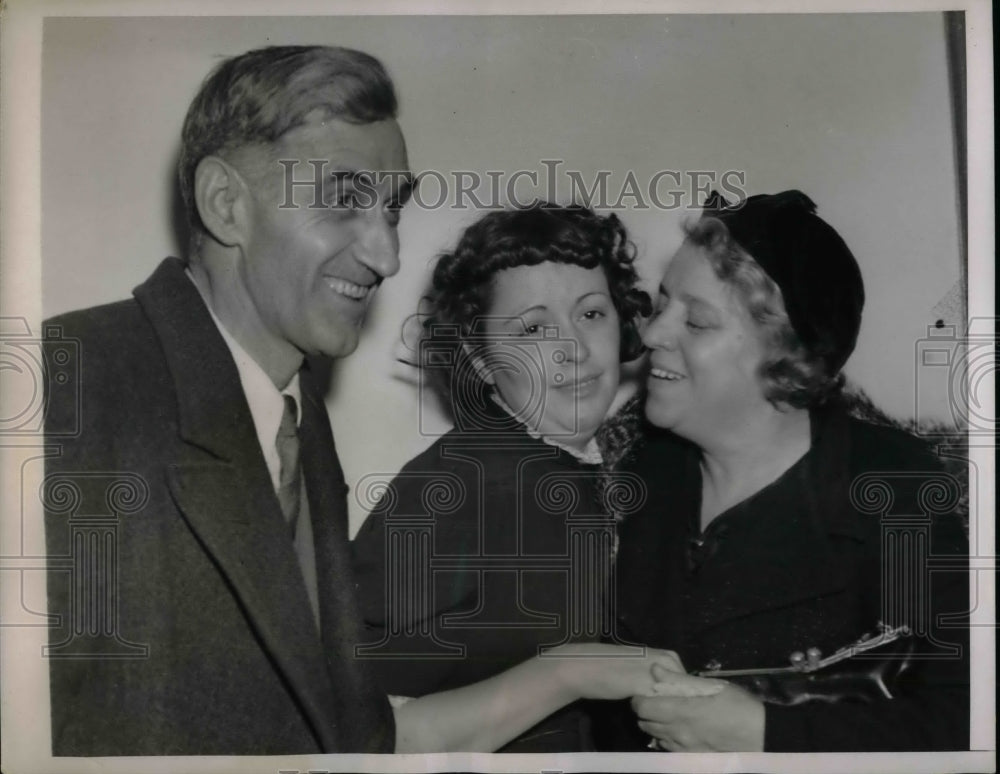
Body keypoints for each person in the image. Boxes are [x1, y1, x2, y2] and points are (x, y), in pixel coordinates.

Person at [42, 47, 709, 756]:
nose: (388, 255)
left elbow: (348, 730)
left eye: (391, 208)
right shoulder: (74, 381)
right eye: (343, 199)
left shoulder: (301, 427)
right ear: (225, 203)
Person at [600, 190, 970, 752]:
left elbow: (968, 721)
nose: (651, 335)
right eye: (663, 304)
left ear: (787, 357)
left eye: (696, 322)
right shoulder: (637, 475)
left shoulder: (897, 487)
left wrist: (767, 734)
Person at [351, 202, 655, 751]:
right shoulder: (456, 487)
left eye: (591, 314)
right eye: (535, 328)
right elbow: (351, 730)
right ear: (482, 358)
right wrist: (568, 674)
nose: (575, 350)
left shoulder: (590, 474)